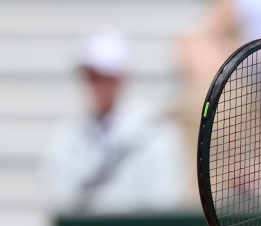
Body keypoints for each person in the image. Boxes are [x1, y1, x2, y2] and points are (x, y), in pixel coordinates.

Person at [42, 30, 185, 215]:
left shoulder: (155, 131)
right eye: (90, 76)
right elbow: (61, 199)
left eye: (103, 76)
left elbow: (164, 197)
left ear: (120, 78)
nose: (95, 85)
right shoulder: (67, 134)